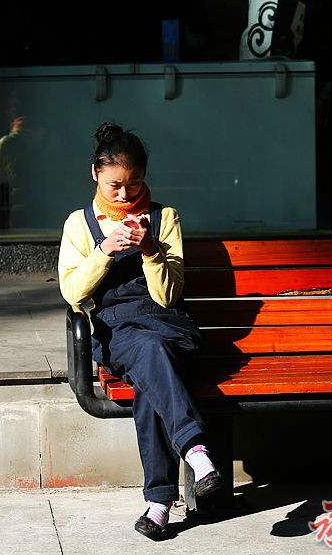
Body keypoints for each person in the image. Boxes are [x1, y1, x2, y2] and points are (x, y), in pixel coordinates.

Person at [57, 122, 223, 540]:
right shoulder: (79, 224)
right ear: (95, 174)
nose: (124, 195)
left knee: (153, 364)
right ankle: (195, 450)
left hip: (168, 326)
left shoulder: (164, 218)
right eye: (114, 185)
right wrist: (104, 251)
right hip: (117, 331)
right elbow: (73, 294)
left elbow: (169, 297)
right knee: (149, 355)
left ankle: (159, 503)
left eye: (133, 185)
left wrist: (150, 250)